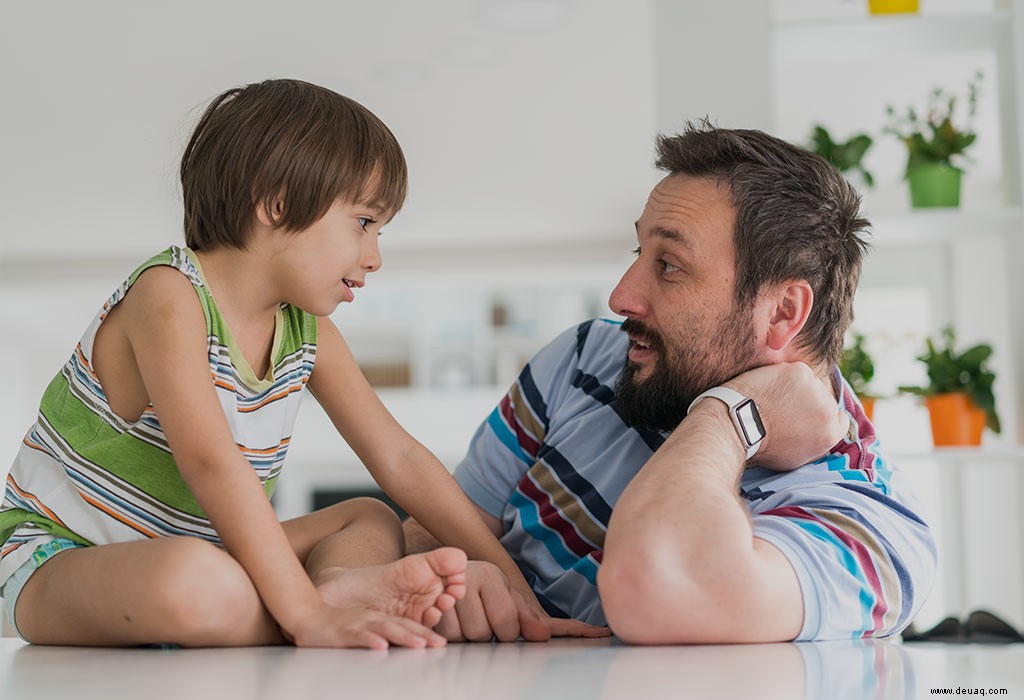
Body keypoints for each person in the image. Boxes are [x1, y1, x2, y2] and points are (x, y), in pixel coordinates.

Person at [0, 79, 603, 649]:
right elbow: (211, 463)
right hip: (57, 553)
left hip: (200, 553)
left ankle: (333, 595)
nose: (374, 257)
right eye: (364, 222)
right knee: (197, 582)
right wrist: (306, 614)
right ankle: (317, 611)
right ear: (276, 203)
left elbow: (400, 459)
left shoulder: (306, 329)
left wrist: (522, 596)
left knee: (368, 517)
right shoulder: (169, 294)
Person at [405, 121, 937, 643]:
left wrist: (731, 415)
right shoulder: (588, 355)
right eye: (639, 253)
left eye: (670, 266)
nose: (620, 298)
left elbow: (656, 587)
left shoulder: (870, 527)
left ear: (782, 312)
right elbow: (427, 534)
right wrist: (447, 579)